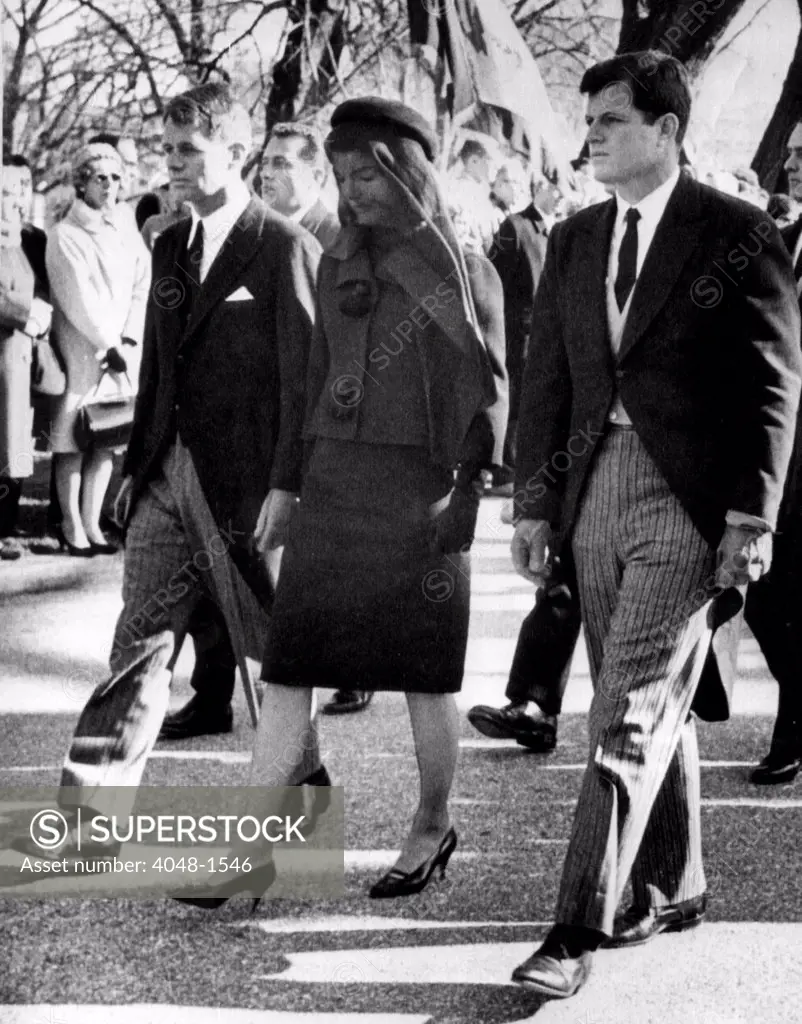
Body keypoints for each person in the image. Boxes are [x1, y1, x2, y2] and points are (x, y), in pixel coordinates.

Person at [507, 51, 800, 1000]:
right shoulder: (575, 237)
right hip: (592, 492)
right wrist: (534, 504)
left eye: (610, 120)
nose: (589, 135)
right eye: (587, 120)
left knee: (624, 706)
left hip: (691, 501)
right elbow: (546, 377)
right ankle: (674, 883)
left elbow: (772, 387)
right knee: (646, 701)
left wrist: (753, 516)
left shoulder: (739, 234)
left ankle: (573, 926)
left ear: (667, 131)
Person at [14, 82, 321, 856]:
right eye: (169, 150)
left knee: (275, 652)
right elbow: (158, 369)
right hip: (163, 478)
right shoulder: (168, 246)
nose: (174, 165)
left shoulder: (283, 245)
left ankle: (299, 803)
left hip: (246, 490)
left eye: (190, 150)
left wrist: (286, 486)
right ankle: (88, 826)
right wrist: (135, 467)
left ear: (235, 147)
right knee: (139, 638)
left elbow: (305, 383)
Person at [233, 97, 507, 903]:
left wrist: (471, 493)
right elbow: (309, 382)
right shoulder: (330, 262)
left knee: (425, 676)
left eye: (368, 175)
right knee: (290, 667)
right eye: (344, 177)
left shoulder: (465, 266)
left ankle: (431, 823)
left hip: (421, 491)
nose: (352, 193)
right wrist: (287, 482)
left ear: (409, 174)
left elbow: (489, 391)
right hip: (333, 484)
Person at [46, 143, 150, 556]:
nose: (110, 186)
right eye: (100, 178)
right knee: (74, 437)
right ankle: (71, 525)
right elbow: (78, 299)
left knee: (109, 435)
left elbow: (144, 282)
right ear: (82, 182)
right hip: (82, 350)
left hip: (121, 351)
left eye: (117, 178)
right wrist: (109, 344)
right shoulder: (64, 235)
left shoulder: (125, 228)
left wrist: (128, 338)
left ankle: (93, 521)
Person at [0, 158, 53, 560]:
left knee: (17, 440)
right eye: (6, 189)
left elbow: (45, 287)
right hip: (5, 345)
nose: (15, 197)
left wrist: (41, 315)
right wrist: (24, 313)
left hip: (23, 354)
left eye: (21, 187)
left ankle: (5, 523)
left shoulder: (28, 237)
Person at [484, 170, 549, 496]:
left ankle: (518, 469)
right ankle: (504, 473)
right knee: (513, 400)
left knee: (531, 403)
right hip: (516, 334)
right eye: (554, 186)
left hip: (543, 337)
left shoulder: (560, 229)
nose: (562, 194)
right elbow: (492, 279)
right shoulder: (515, 226)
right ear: (539, 188)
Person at [260, 122, 340, 251]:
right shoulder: (257, 234)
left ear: (316, 177)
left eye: (280, 164)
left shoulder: (340, 239)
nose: (266, 173)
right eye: (264, 163)